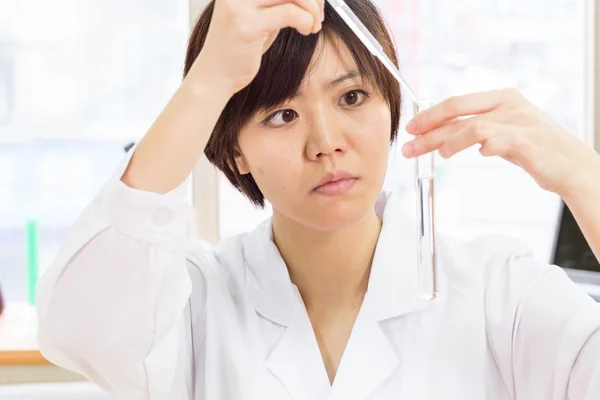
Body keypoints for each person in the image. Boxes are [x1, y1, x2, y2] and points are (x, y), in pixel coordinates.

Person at [36, 0, 600, 399]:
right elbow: (79, 328)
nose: (327, 140)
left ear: (391, 110)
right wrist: (207, 84)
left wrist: (584, 179)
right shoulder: (196, 304)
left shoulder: (502, 294)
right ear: (233, 151)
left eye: (352, 96)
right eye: (282, 114)